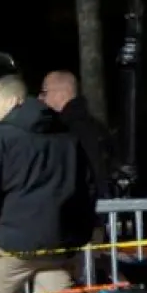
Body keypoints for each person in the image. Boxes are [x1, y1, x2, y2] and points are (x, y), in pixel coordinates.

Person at [0, 74, 97, 293]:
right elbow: (87, 188)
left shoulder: (0, 137)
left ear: (12, 101)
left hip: (10, 244)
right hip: (56, 245)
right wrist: (78, 236)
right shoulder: (67, 138)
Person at [40, 70, 116, 198]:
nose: (40, 98)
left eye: (45, 92)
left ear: (61, 94)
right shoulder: (98, 128)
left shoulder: (62, 131)